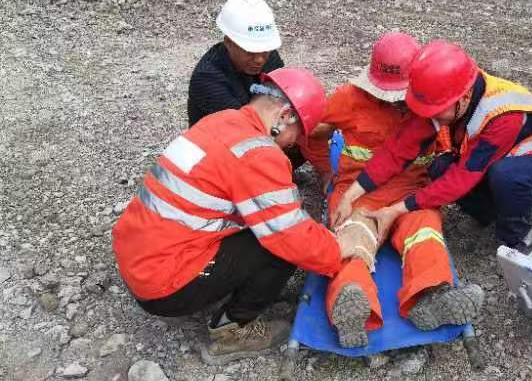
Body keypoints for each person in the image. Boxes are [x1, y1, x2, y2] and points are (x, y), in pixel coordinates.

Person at [113, 67, 355, 366]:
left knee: (271, 230)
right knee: (279, 248)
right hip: (162, 284)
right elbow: (291, 236)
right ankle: (232, 330)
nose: (293, 144)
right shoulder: (258, 153)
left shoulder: (221, 120)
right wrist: (338, 250)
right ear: (285, 116)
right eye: (298, 134)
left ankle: (220, 286)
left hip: (137, 257)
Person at [301, 33, 483, 348]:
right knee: (351, 240)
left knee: (425, 233)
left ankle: (432, 296)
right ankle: (351, 303)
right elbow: (310, 131)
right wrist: (324, 171)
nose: (393, 101)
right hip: (358, 192)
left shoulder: (435, 105)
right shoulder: (349, 98)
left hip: (412, 194)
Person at [334, 39, 532, 255]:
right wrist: (351, 195)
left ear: (463, 99)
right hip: (497, 161)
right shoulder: (446, 94)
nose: (428, 117)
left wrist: (397, 209)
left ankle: (517, 240)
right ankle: (492, 213)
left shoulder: (505, 116)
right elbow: (399, 149)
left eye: (435, 112)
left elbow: (462, 177)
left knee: (506, 175)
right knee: (440, 167)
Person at [187, 0, 284, 127]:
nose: (260, 59)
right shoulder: (207, 79)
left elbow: (283, 95)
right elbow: (246, 127)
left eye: (265, 50)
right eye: (250, 51)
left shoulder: (268, 56)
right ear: (228, 42)